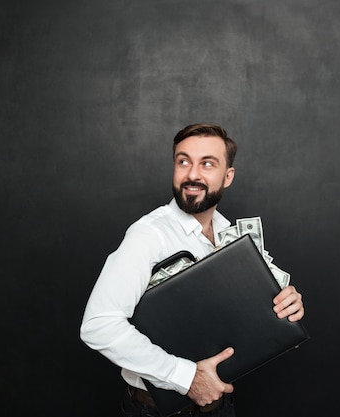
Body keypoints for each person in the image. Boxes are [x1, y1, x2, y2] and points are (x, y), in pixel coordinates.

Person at [80, 123, 305, 417]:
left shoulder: (233, 237)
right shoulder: (149, 235)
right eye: (183, 161)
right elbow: (98, 325)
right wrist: (188, 378)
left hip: (219, 407)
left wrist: (288, 305)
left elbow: (256, 310)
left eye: (207, 164)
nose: (192, 175)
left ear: (228, 177)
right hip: (157, 412)